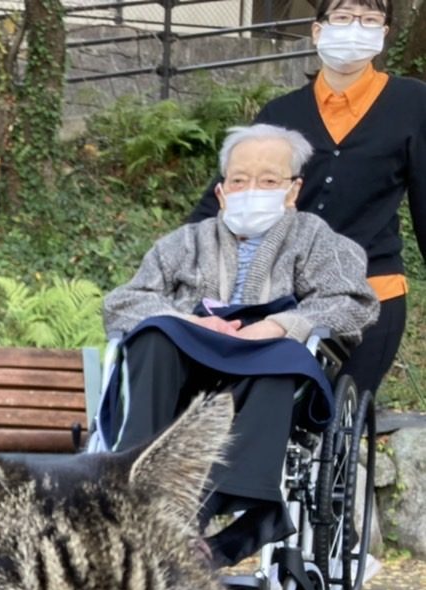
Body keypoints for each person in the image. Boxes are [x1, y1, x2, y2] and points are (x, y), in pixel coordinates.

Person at [103, 124, 378, 566]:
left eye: (269, 181)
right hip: (188, 362)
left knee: (282, 358)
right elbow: (124, 301)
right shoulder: (184, 243)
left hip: (264, 360)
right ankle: (137, 481)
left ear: (293, 190)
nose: (253, 190)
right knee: (153, 332)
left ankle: (226, 519)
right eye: (239, 180)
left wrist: (277, 325)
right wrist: (193, 323)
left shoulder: (318, 240)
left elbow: (352, 302)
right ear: (222, 191)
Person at [191, 0, 426, 398]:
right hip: (286, 293)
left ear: (383, 34)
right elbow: (226, 197)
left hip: (373, 290)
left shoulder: (413, 104)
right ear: (318, 30)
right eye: (343, 17)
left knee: (331, 409)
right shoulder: (281, 113)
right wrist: (180, 261)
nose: (355, 28)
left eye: (369, 20)